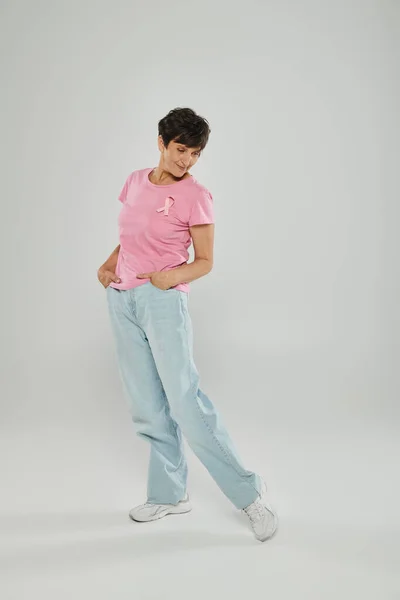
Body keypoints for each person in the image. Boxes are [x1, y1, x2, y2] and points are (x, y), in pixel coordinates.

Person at [97, 107, 278, 542]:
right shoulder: (135, 181)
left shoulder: (197, 196)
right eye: (180, 150)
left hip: (163, 302)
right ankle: (168, 494)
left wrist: (169, 277)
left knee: (185, 402)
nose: (187, 161)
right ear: (161, 143)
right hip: (121, 299)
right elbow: (130, 235)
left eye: (195, 153)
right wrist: (108, 263)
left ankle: (249, 495)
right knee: (146, 404)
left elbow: (205, 262)